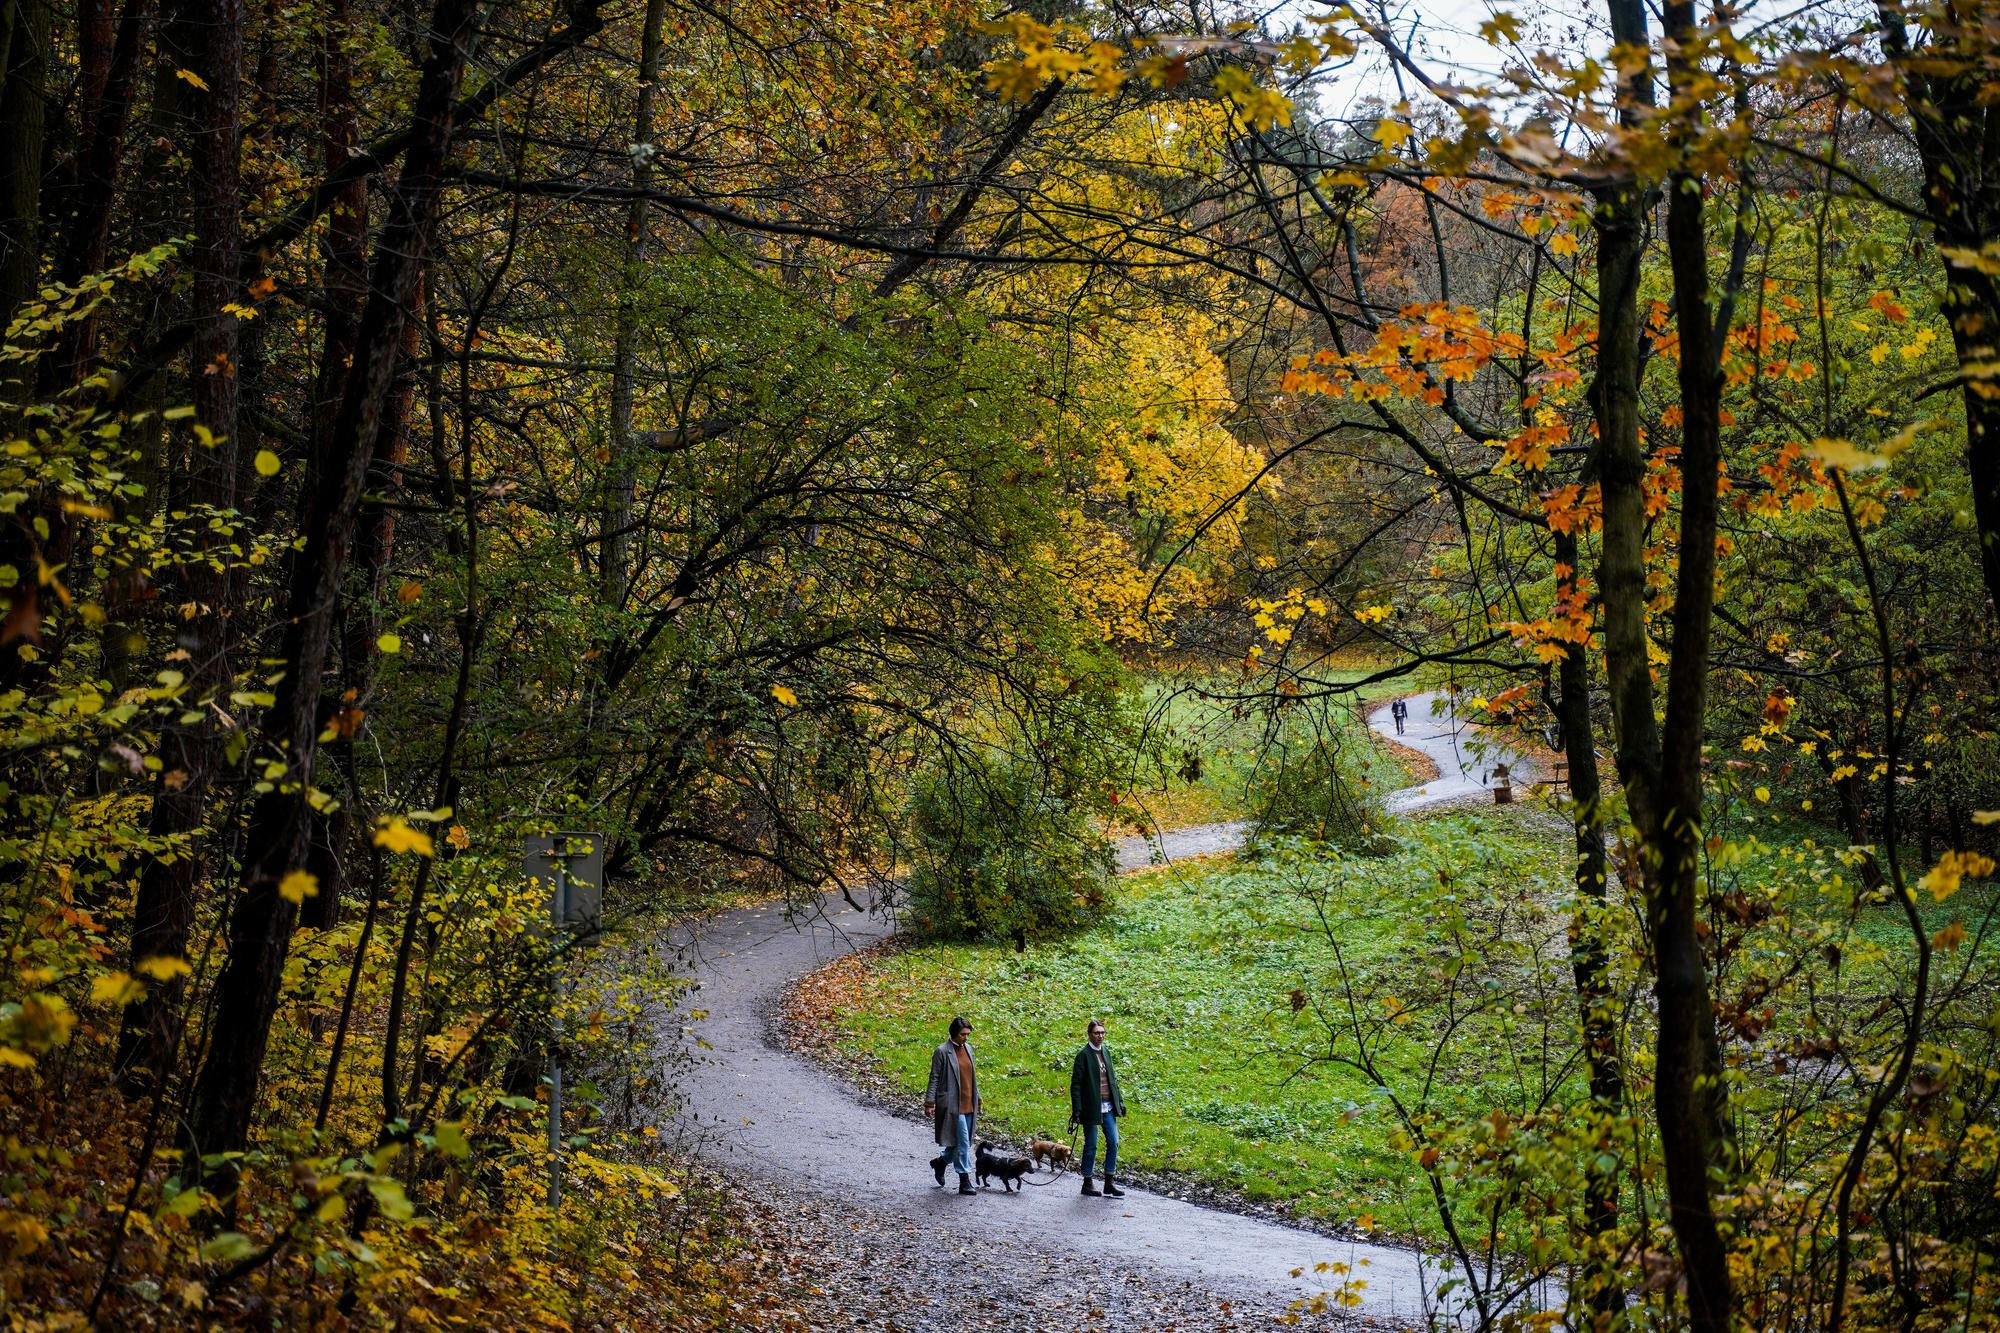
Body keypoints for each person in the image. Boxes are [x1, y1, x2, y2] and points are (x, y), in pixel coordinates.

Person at [1069, 1018, 1125, 1198]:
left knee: (1113, 1142)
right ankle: (1087, 1182)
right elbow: (1076, 1084)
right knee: (1091, 1144)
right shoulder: (1083, 1055)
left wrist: (1119, 1102)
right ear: (1089, 1034)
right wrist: (1077, 1109)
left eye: (1102, 1032)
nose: (1100, 1036)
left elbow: (1112, 1080)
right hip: (1091, 1108)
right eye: (1096, 1033)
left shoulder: (1106, 1052)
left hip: (1108, 1106)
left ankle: (1109, 1182)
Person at [923, 1015, 979, 1195]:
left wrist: (977, 1096)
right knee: (963, 1142)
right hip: (952, 1105)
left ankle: (940, 1163)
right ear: (954, 1033)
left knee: (960, 1142)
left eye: (968, 1034)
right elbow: (934, 1078)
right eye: (963, 1034)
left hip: (969, 1102)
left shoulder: (969, 1049)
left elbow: (971, 1076)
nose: (966, 1038)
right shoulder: (942, 1051)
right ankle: (964, 1180)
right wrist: (929, 1102)